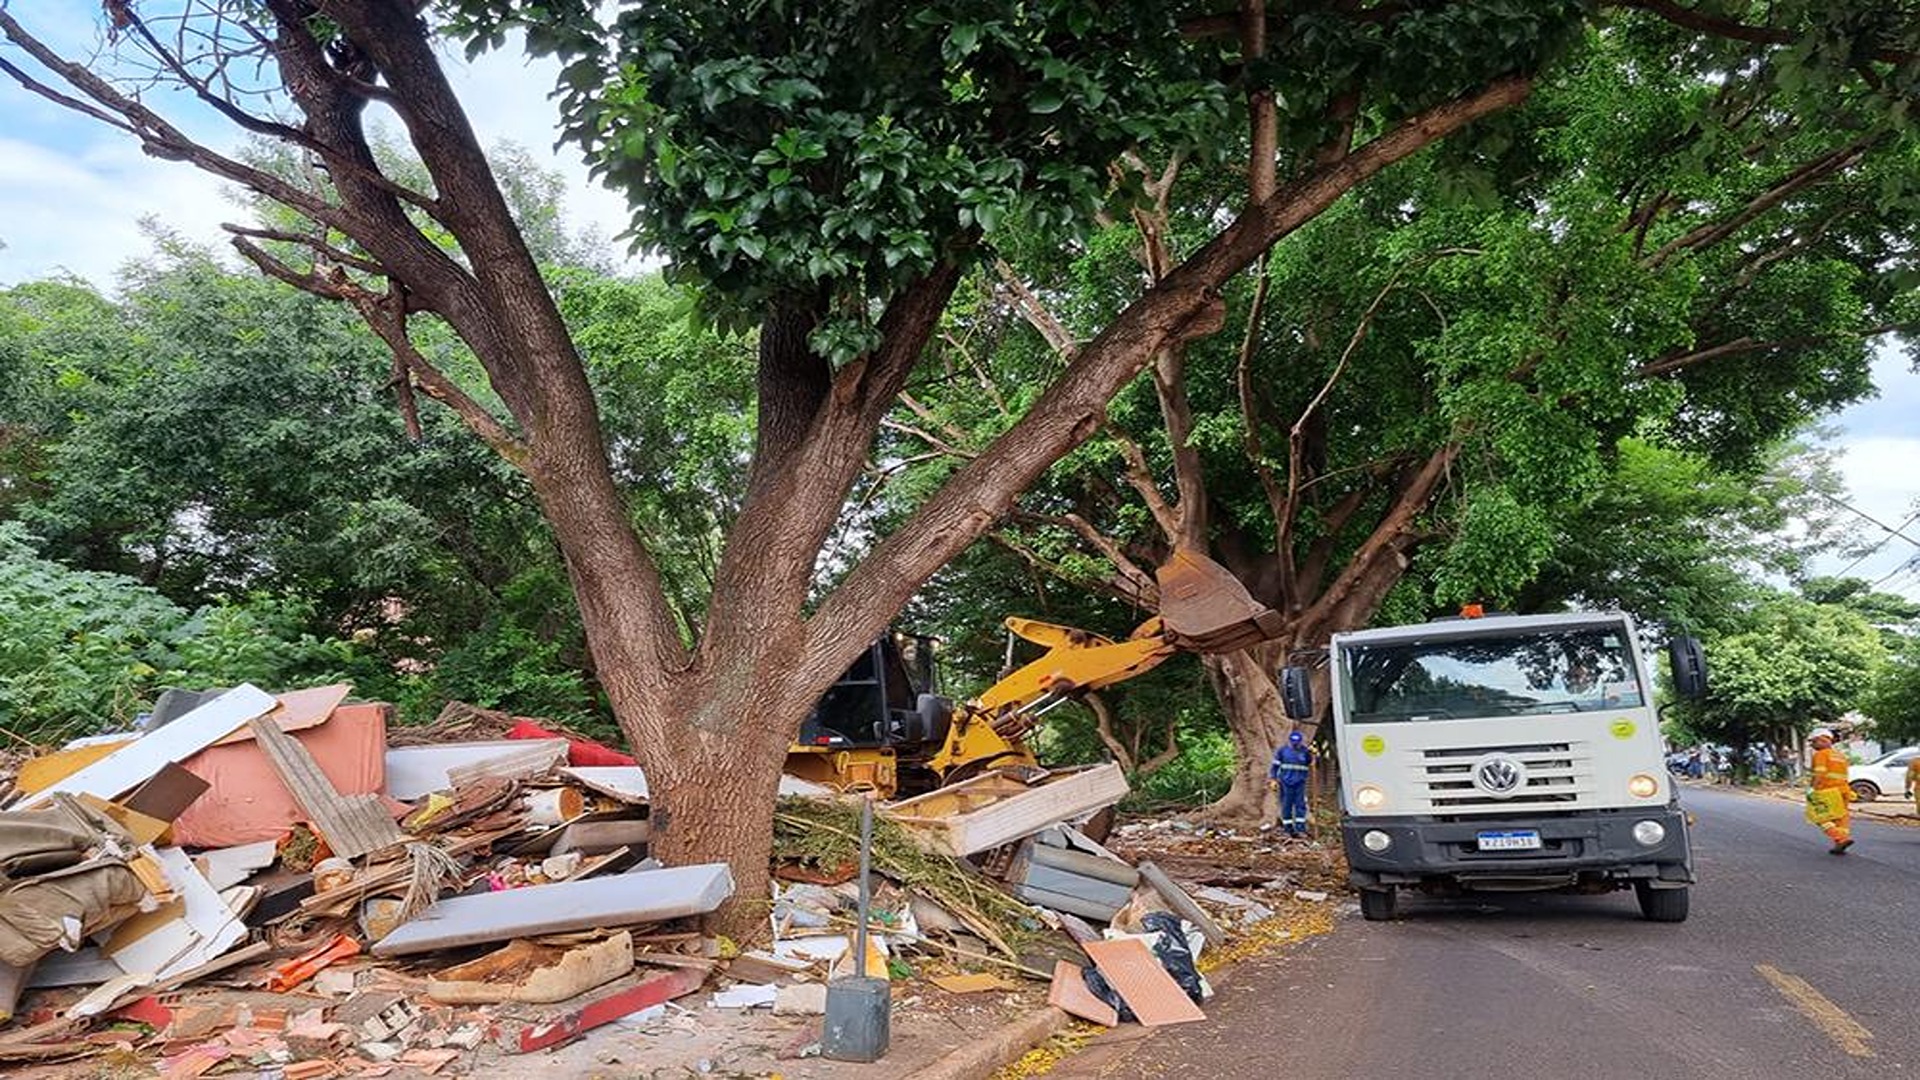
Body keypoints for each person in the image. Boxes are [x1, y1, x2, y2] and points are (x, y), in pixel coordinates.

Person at [1807, 728, 1855, 855]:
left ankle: (1841, 838)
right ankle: (1840, 844)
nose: (1812, 745)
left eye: (1813, 742)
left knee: (1820, 817)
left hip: (1827, 791)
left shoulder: (1821, 754)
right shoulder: (1840, 755)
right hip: (1843, 790)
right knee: (1841, 818)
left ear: (1821, 740)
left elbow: (1820, 773)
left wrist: (1813, 789)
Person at [1268, 730, 1313, 837]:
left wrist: (1312, 754)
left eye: (1297, 742)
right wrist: (1273, 779)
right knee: (1286, 805)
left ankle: (1300, 829)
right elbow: (1275, 766)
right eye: (1293, 742)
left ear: (1301, 742)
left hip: (1300, 782)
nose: (1295, 744)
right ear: (1290, 741)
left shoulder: (1305, 751)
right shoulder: (1282, 751)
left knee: (1300, 805)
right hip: (1286, 782)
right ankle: (1288, 829)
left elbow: (1310, 762)